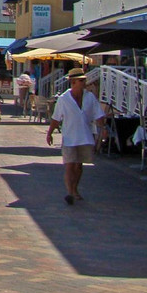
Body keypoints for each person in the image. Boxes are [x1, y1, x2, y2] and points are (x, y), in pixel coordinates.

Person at [46, 67, 106, 205]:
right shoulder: (64, 99)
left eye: (84, 80)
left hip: (85, 137)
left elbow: (98, 115)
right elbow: (56, 118)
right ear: (73, 82)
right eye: (81, 80)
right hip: (69, 137)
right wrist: (50, 133)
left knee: (79, 166)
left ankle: (74, 189)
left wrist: (103, 128)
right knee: (69, 165)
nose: (84, 83)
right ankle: (69, 192)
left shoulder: (90, 97)